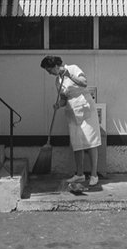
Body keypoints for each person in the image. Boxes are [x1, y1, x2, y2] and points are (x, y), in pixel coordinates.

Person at [40, 55, 101, 186]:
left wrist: (69, 75)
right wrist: (59, 105)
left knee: (91, 142)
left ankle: (94, 175)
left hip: (86, 109)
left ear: (56, 66)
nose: (49, 73)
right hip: (72, 111)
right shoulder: (58, 81)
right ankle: (79, 174)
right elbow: (63, 98)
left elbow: (84, 83)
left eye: (49, 70)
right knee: (77, 143)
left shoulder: (73, 69)